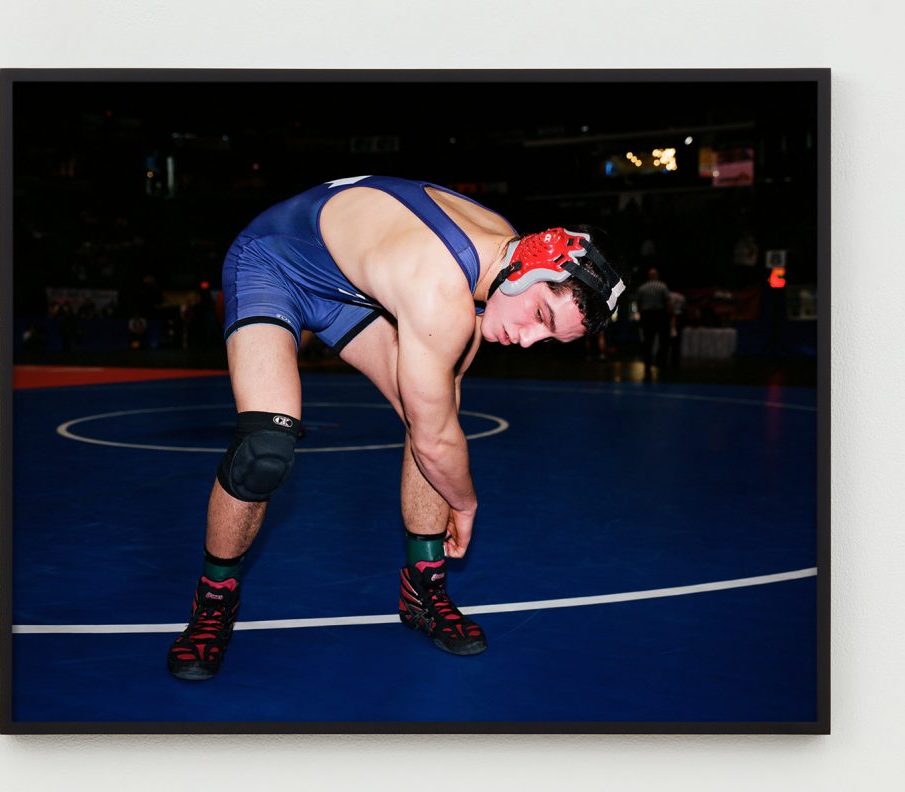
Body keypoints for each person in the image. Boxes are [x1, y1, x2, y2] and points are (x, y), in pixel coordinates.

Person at [167, 175, 626, 680]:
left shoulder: (497, 262)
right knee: (264, 447)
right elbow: (436, 444)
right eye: (539, 315)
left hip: (351, 286)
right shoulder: (440, 288)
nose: (527, 339)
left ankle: (422, 588)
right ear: (524, 268)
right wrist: (465, 503)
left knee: (431, 407)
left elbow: (436, 423)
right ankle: (213, 600)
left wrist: (447, 470)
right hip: (274, 262)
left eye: (548, 337)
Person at [635, 267, 671, 379]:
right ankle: (662, 364)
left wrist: (641, 316)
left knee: (648, 343)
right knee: (663, 341)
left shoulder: (642, 288)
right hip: (659, 315)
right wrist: (668, 316)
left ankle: (647, 368)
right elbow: (667, 302)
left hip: (647, 316)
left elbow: (638, 303)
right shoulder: (662, 286)